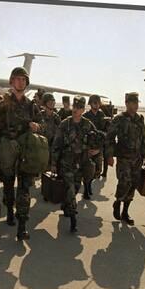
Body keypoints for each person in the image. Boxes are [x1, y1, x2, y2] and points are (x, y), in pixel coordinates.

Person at [0, 67, 44, 240]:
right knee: (9, 186)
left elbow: (43, 125)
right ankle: (10, 210)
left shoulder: (31, 105)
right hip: (7, 152)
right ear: (11, 81)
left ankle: (22, 225)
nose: (20, 82)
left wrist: (37, 126)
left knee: (25, 188)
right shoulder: (3, 104)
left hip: (26, 152)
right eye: (17, 79)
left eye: (23, 80)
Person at [51, 96, 99, 232]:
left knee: (76, 188)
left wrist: (96, 150)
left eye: (78, 107)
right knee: (70, 190)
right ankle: (73, 220)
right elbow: (56, 144)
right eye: (74, 106)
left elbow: (96, 140)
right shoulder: (64, 124)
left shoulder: (88, 124)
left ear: (83, 110)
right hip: (66, 163)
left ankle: (67, 205)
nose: (75, 109)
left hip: (81, 163)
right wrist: (53, 163)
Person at [105, 92, 145, 225]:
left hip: (137, 159)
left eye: (137, 103)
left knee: (133, 184)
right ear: (127, 103)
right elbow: (110, 138)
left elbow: (144, 138)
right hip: (124, 158)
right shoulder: (119, 119)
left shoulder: (139, 119)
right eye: (133, 103)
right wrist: (109, 155)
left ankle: (125, 212)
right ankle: (117, 202)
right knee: (124, 182)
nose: (136, 105)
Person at [83, 94, 108, 197]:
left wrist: (100, 148)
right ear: (90, 103)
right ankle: (86, 188)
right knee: (88, 169)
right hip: (88, 148)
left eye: (98, 102)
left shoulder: (102, 115)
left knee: (97, 171)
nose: (96, 104)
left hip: (99, 148)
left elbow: (106, 132)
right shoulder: (86, 116)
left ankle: (89, 184)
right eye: (94, 102)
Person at [40, 93, 61, 169]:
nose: (52, 104)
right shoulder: (39, 116)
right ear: (45, 103)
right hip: (42, 148)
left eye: (53, 102)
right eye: (50, 102)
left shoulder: (56, 117)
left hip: (53, 148)